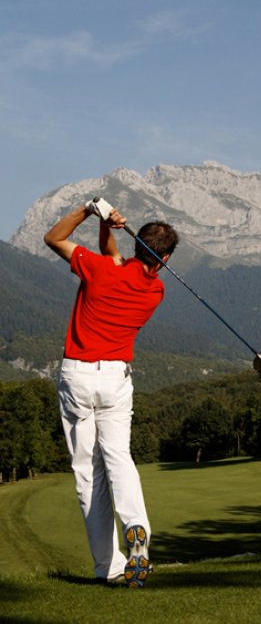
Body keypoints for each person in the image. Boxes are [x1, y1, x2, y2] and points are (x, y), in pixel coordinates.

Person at [44, 198, 179, 587]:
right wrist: (108, 229)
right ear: (164, 258)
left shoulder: (99, 270)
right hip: (115, 379)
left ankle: (109, 566)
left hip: (78, 376)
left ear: (138, 247)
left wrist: (90, 211)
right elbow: (118, 262)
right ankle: (137, 525)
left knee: (89, 474)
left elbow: (53, 237)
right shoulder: (155, 292)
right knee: (119, 457)